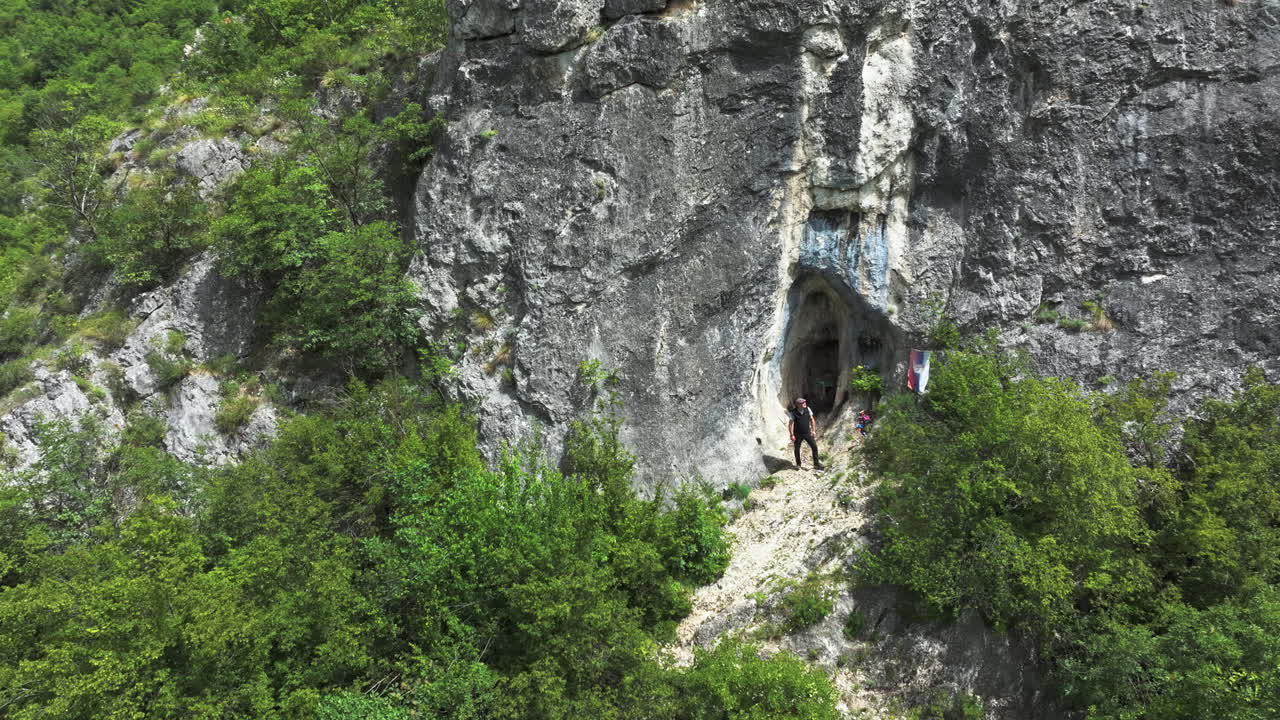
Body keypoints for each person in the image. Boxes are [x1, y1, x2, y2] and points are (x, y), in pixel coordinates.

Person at [788, 397, 821, 470]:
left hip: (807, 433)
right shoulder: (793, 412)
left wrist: (813, 431)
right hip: (797, 434)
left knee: (814, 446)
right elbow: (790, 424)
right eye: (802, 403)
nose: (805, 403)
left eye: (804, 402)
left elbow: (812, 420)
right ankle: (798, 464)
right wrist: (792, 435)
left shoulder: (808, 409)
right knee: (797, 449)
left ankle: (816, 464)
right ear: (798, 404)